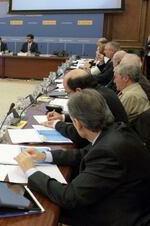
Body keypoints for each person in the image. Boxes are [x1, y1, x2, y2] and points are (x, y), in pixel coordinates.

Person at [15, 89, 150, 226]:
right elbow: (83, 154)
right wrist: (44, 156)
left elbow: (70, 197)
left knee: (36, 210)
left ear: (77, 123)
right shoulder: (115, 130)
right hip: (130, 201)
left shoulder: (107, 150)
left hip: (119, 215)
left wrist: (31, 171)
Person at [45, 69, 128, 147]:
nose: (68, 96)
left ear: (78, 91)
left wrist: (56, 124)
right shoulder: (101, 90)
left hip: (110, 148)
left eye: (68, 93)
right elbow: (86, 118)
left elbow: (79, 134)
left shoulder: (93, 99)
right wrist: (63, 117)